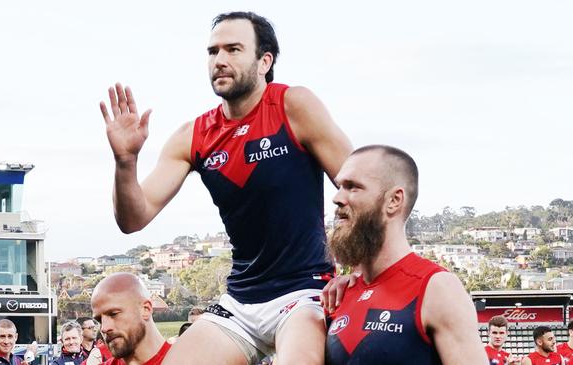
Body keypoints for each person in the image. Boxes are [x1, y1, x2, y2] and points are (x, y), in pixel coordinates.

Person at [99, 11, 351, 365]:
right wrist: (125, 162)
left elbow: (360, 187)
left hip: (304, 292)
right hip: (241, 300)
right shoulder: (194, 135)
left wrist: (357, 271)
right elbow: (133, 218)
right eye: (212, 51)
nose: (219, 60)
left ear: (265, 61)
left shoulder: (293, 105)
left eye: (233, 49)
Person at [323, 145, 487, 364]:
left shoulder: (437, 289)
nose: (337, 198)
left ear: (394, 200)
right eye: (340, 186)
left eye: (352, 187)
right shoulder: (342, 293)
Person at [91, 273, 170, 365]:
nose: (104, 328)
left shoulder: (185, 359)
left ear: (146, 309)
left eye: (113, 314)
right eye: (99, 320)